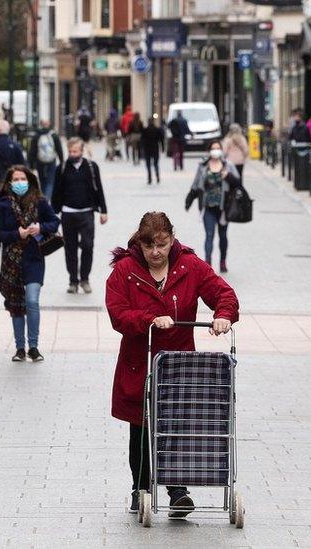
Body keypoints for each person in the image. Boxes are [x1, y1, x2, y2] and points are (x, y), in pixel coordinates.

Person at [105, 211, 240, 517]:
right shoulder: (124, 271)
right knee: (140, 429)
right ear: (140, 242)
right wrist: (149, 319)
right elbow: (118, 313)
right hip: (139, 361)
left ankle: (177, 491)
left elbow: (222, 292)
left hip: (179, 365)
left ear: (171, 240)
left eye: (162, 245)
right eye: (149, 245)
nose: (156, 252)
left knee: (176, 426)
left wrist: (223, 314)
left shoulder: (189, 266)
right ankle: (139, 488)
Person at [0, 165, 61, 362]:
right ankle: (20, 348)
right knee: (16, 305)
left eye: (23, 179)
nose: (19, 183)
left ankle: (34, 346)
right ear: (9, 183)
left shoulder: (40, 202)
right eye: (15, 179)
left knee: (31, 301)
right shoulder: (2, 205)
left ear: (30, 181)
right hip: (11, 262)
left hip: (34, 259)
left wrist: (40, 227)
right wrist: (17, 234)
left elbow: (54, 222)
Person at [51, 138, 108, 294]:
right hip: (68, 214)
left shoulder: (91, 167)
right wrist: (52, 215)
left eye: (75, 151)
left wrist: (104, 210)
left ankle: (85, 279)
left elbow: (99, 189)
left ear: (82, 151)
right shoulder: (61, 168)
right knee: (70, 248)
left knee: (88, 246)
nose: (72, 154)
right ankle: (73, 281)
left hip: (86, 213)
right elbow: (55, 193)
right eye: (70, 151)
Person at [185, 141, 241, 274]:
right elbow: (196, 184)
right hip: (208, 207)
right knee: (209, 235)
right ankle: (208, 264)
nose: (215, 150)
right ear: (209, 150)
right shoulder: (203, 166)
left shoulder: (228, 165)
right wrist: (189, 200)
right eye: (213, 148)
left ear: (221, 150)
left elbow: (238, 183)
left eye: (218, 148)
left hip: (224, 208)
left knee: (223, 236)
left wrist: (228, 176)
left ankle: (222, 261)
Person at [28, 119, 64, 198]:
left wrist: (31, 165)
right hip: (51, 161)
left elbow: (32, 151)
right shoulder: (54, 135)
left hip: (40, 161)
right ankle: (47, 199)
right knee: (50, 181)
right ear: (49, 124)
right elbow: (59, 149)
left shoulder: (36, 135)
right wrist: (62, 161)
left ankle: (44, 197)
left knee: (42, 180)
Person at [140, 116, 165, 185]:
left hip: (147, 149)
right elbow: (161, 139)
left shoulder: (145, 130)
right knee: (156, 164)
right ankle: (157, 177)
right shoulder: (157, 129)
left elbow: (142, 140)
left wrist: (142, 148)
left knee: (148, 165)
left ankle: (149, 178)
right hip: (155, 148)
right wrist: (162, 148)